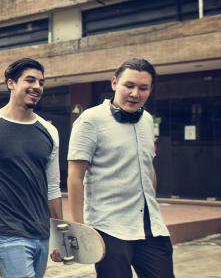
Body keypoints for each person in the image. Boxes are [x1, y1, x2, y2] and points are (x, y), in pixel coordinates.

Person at [67, 58, 173, 278]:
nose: (135, 93)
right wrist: (79, 230)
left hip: (151, 227)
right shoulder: (90, 120)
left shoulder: (147, 120)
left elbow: (148, 166)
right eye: (129, 85)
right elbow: (75, 176)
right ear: (114, 83)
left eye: (143, 88)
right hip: (109, 228)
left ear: (150, 89)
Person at [0, 58, 63, 278]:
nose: (37, 86)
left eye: (41, 82)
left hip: (41, 234)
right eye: (30, 80)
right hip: (6, 232)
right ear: (11, 83)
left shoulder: (49, 131)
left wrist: (59, 235)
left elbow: (53, 187)